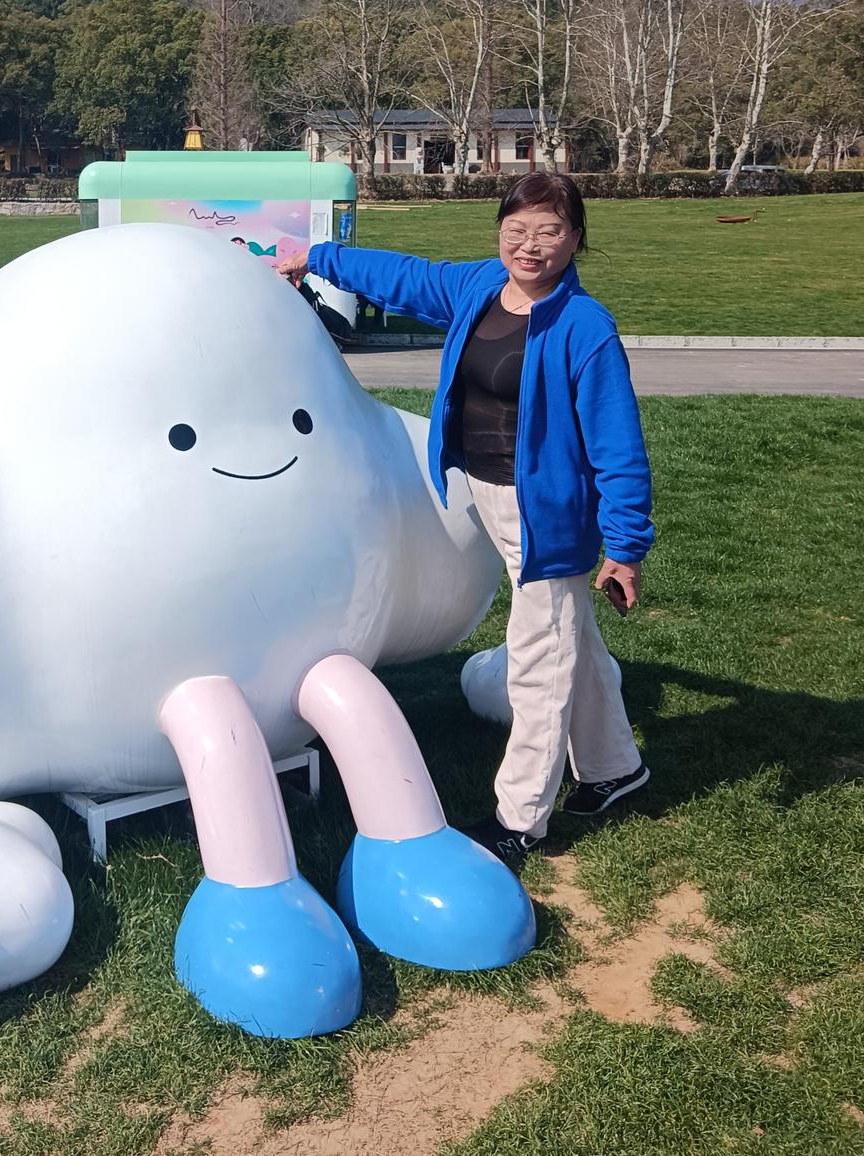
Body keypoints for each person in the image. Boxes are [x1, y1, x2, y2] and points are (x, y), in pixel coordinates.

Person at [278, 171, 652, 871]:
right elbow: (406, 278)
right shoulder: (481, 287)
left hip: (547, 516)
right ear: (499, 233)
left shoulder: (584, 328)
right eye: (517, 230)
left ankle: (521, 819)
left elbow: (618, 446)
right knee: (567, 633)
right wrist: (318, 259)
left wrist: (625, 546)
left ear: (576, 238)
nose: (530, 245)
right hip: (487, 493)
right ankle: (615, 769)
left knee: (539, 663)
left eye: (549, 231)